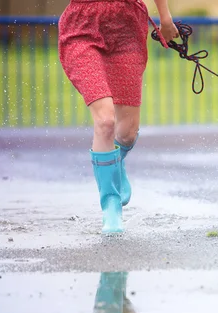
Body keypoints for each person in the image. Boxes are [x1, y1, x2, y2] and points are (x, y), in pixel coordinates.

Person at [58, 0, 178, 234]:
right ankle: (111, 207)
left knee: (127, 132)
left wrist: (165, 19)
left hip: (127, 27)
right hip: (82, 26)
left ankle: (115, 161)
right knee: (105, 121)